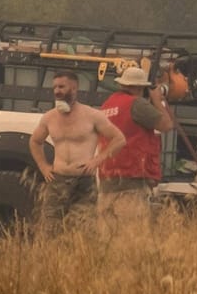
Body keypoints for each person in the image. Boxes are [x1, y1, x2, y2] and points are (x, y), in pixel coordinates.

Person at [29, 69, 125, 227]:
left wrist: (96, 161)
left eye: (61, 87)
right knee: (50, 228)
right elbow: (34, 141)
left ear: (74, 88)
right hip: (57, 179)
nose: (57, 91)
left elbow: (119, 139)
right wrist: (43, 166)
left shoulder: (92, 115)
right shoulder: (49, 117)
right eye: (54, 87)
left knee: (84, 228)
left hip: (84, 180)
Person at [99, 64, 176, 215]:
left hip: (106, 180)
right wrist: (157, 101)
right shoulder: (136, 104)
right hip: (131, 180)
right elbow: (166, 125)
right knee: (131, 234)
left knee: (108, 236)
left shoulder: (107, 104)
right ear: (140, 88)